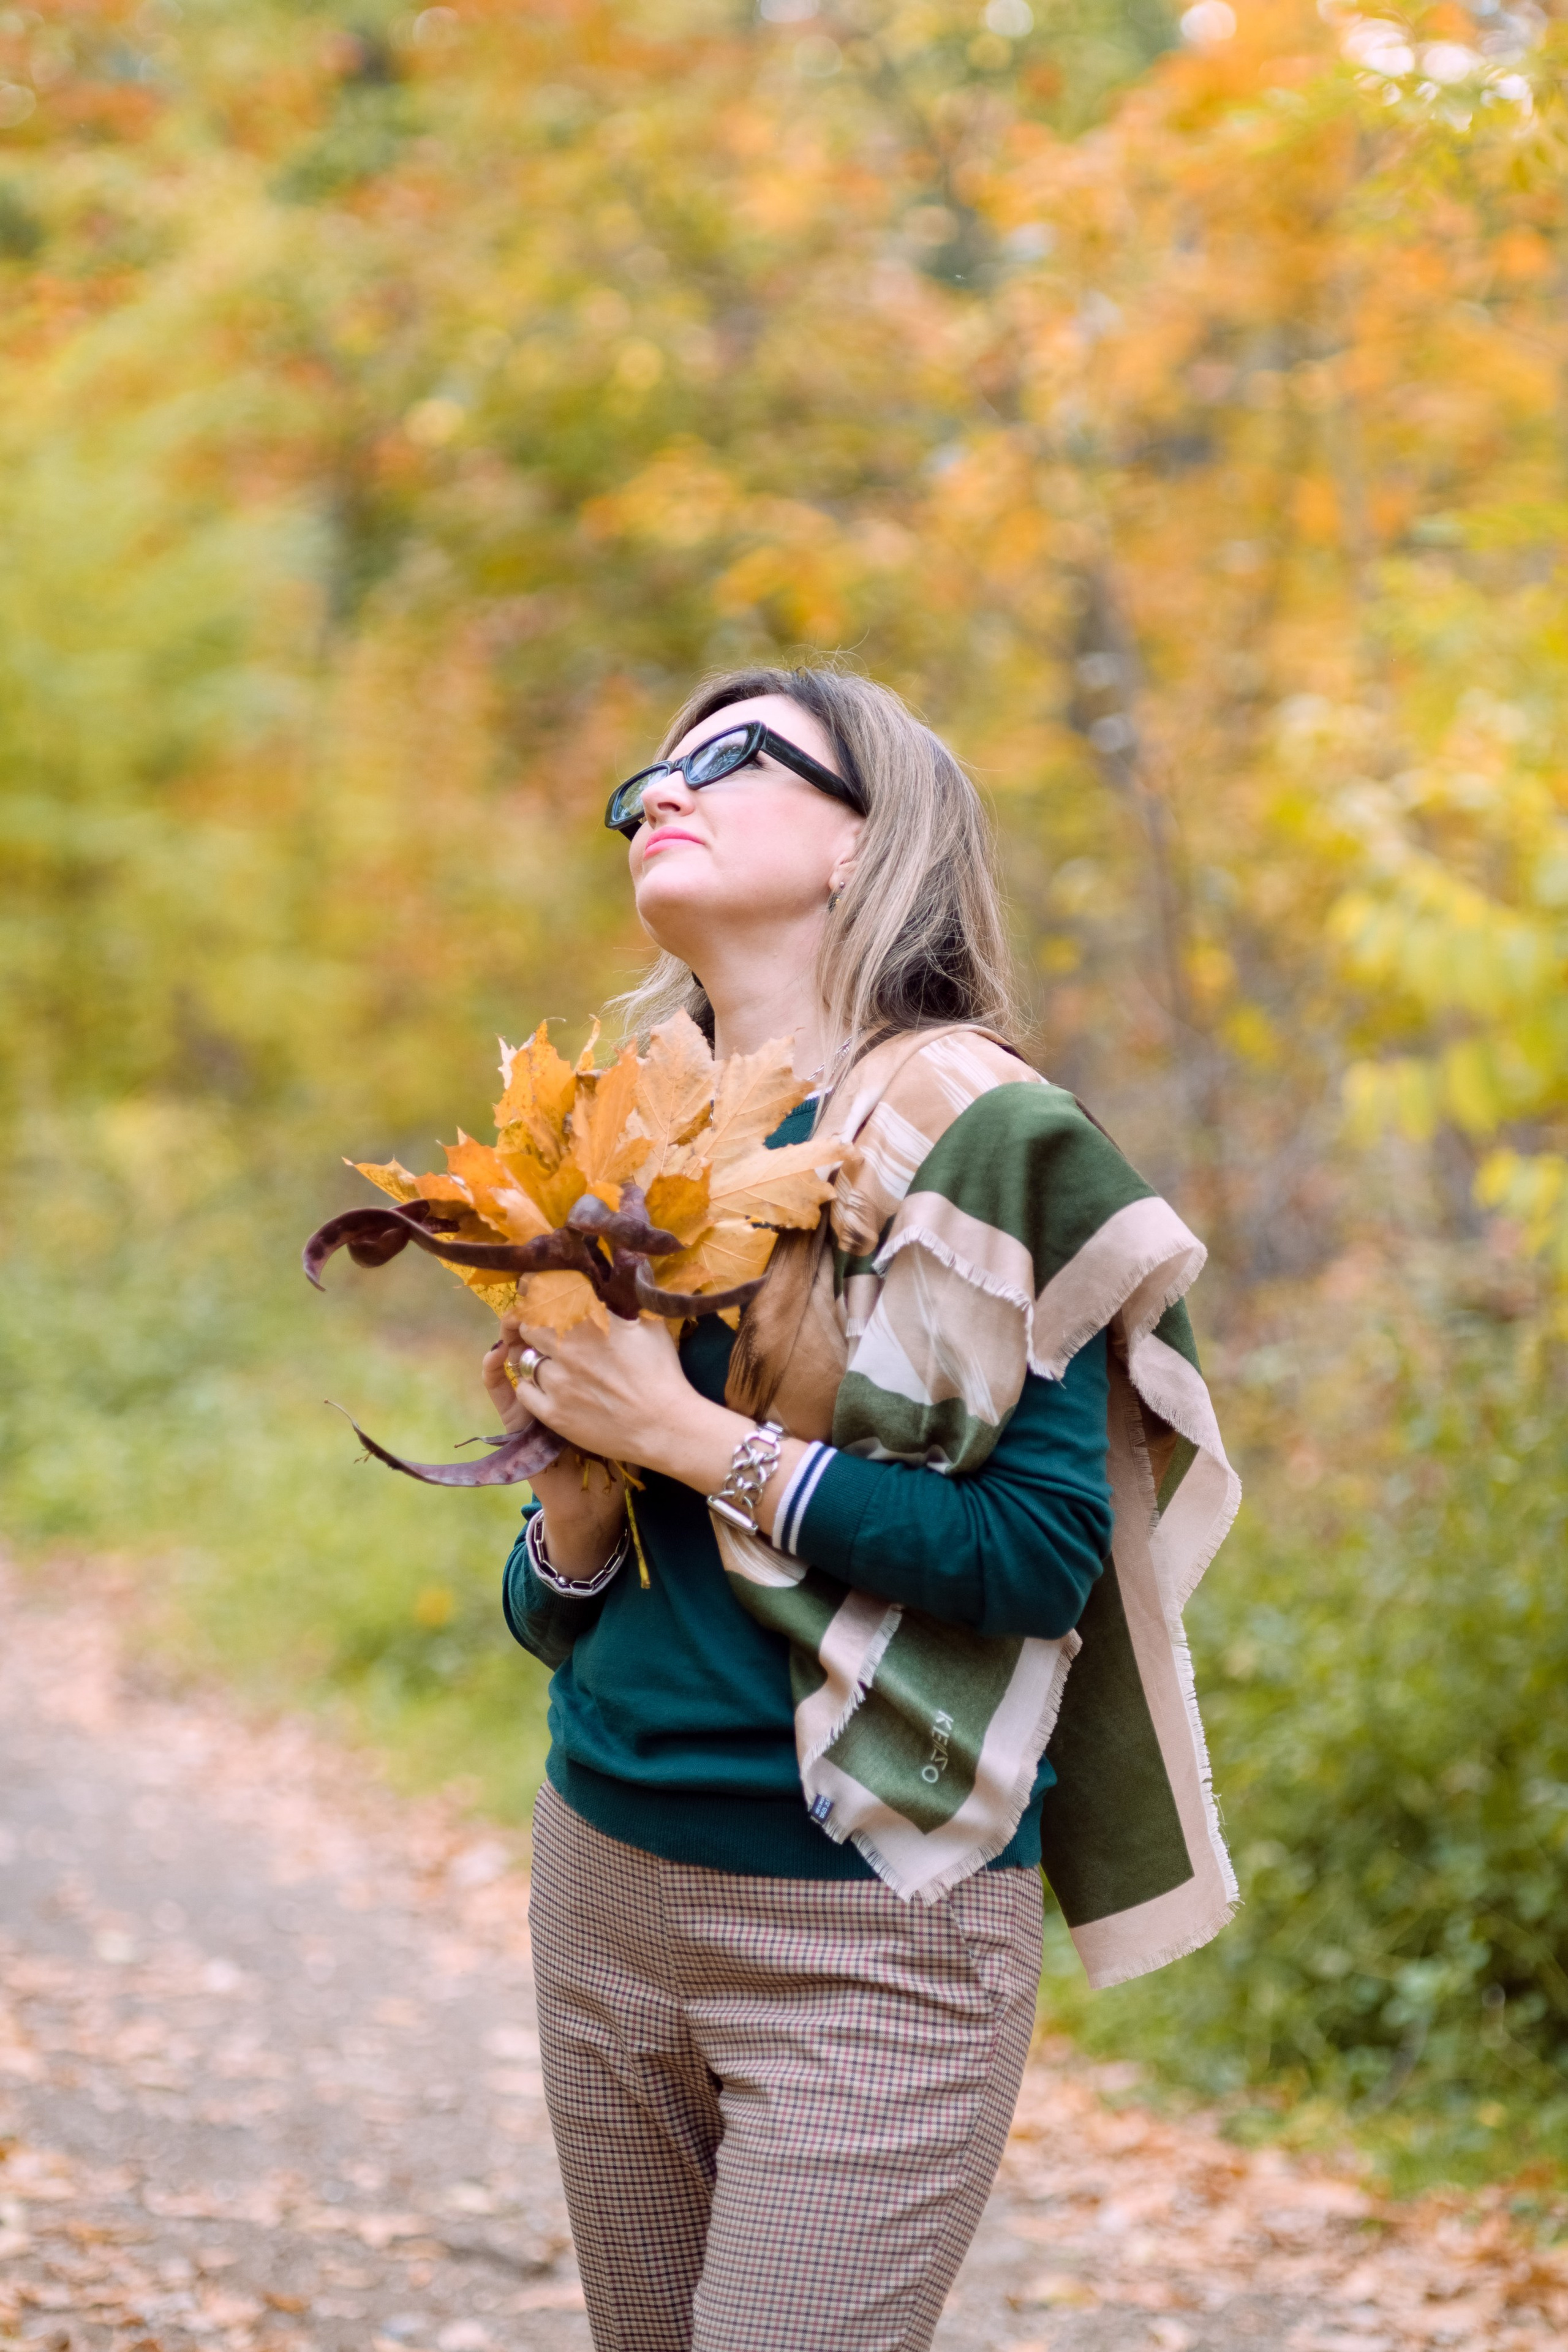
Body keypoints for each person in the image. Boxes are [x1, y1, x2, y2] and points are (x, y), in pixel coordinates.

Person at [483, 665, 1239, 2352]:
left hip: (869, 1927)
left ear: (864, 840)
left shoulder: (991, 1141)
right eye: (649, 777)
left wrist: (683, 1440)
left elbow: (1036, 1563)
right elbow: (551, 1611)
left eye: (733, 759)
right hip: (603, 1879)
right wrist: (579, 1507)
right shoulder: (630, 1134)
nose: (663, 790)